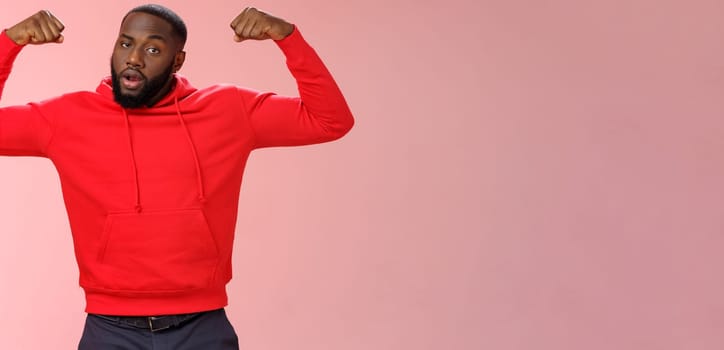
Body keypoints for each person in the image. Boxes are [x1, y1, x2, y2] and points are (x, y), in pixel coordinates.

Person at [0, 3, 353, 349]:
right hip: (109, 330)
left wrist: (288, 38)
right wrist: (9, 42)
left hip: (202, 326)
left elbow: (330, 121)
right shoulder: (66, 118)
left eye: (152, 49)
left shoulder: (227, 111)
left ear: (177, 61)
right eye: (126, 43)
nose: (134, 58)